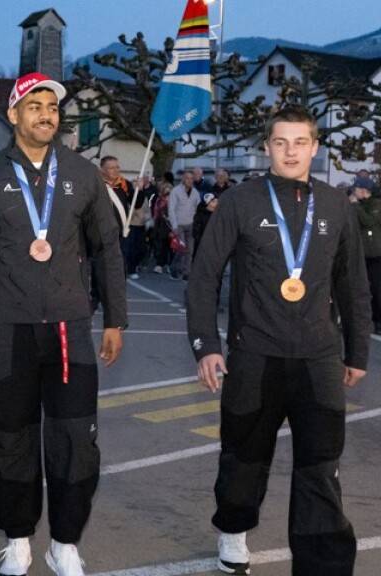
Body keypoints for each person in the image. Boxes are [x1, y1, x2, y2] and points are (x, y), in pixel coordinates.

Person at [0, 72, 127, 576]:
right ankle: (18, 538)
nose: (47, 114)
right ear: (15, 114)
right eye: (36, 105)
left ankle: (64, 542)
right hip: (7, 329)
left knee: (74, 442)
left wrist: (117, 318)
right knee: (11, 439)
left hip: (70, 329)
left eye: (53, 107)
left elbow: (107, 248)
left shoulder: (82, 175)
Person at [187, 107, 370, 576]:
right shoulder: (240, 201)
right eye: (281, 143)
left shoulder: (335, 206)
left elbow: (352, 285)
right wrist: (206, 344)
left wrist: (357, 352)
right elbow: (205, 275)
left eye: (300, 142)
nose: (291, 151)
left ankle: (323, 565)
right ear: (266, 147)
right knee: (243, 459)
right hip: (254, 357)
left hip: (320, 360)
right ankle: (233, 528)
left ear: (315, 147)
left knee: (320, 467)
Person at [351, 175, 381, 333]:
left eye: (356, 189)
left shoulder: (376, 205)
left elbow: (368, 221)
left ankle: (378, 321)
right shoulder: (358, 205)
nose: (353, 192)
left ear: (363, 190)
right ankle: (364, 320)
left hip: (376, 256)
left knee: (376, 289)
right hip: (361, 255)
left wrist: (355, 206)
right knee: (361, 289)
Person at [168, 170, 200, 279]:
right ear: (183, 179)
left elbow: (198, 208)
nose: (190, 180)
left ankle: (187, 272)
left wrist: (197, 223)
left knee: (190, 250)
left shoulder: (195, 192)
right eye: (187, 178)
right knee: (181, 249)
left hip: (191, 224)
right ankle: (174, 268)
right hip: (179, 224)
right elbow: (171, 209)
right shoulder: (175, 191)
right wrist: (174, 226)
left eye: (192, 178)